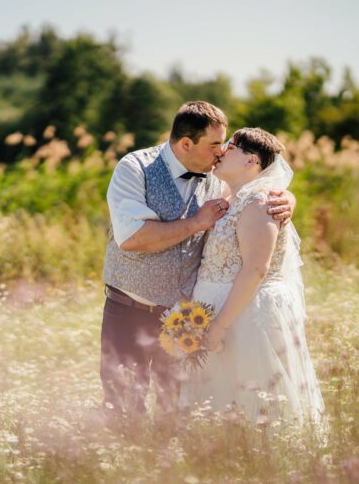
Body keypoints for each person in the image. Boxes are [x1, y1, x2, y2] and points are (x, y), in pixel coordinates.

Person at [100, 102, 296, 422]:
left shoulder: (216, 176)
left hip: (187, 319)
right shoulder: (134, 168)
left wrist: (286, 199)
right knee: (123, 405)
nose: (221, 153)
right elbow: (132, 238)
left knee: (177, 411)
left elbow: (255, 190)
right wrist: (196, 222)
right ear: (187, 144)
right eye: (215, 145)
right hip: (130, 309)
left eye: (225, 145)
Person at [180, 127, 324, 425]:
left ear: (252, 161)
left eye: (231, 147)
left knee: (254, 404)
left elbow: (256, 267)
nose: (221, 151)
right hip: (216, 310)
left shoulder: (259, 202)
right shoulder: (230, 195)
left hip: (244, 317)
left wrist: (219, 326)